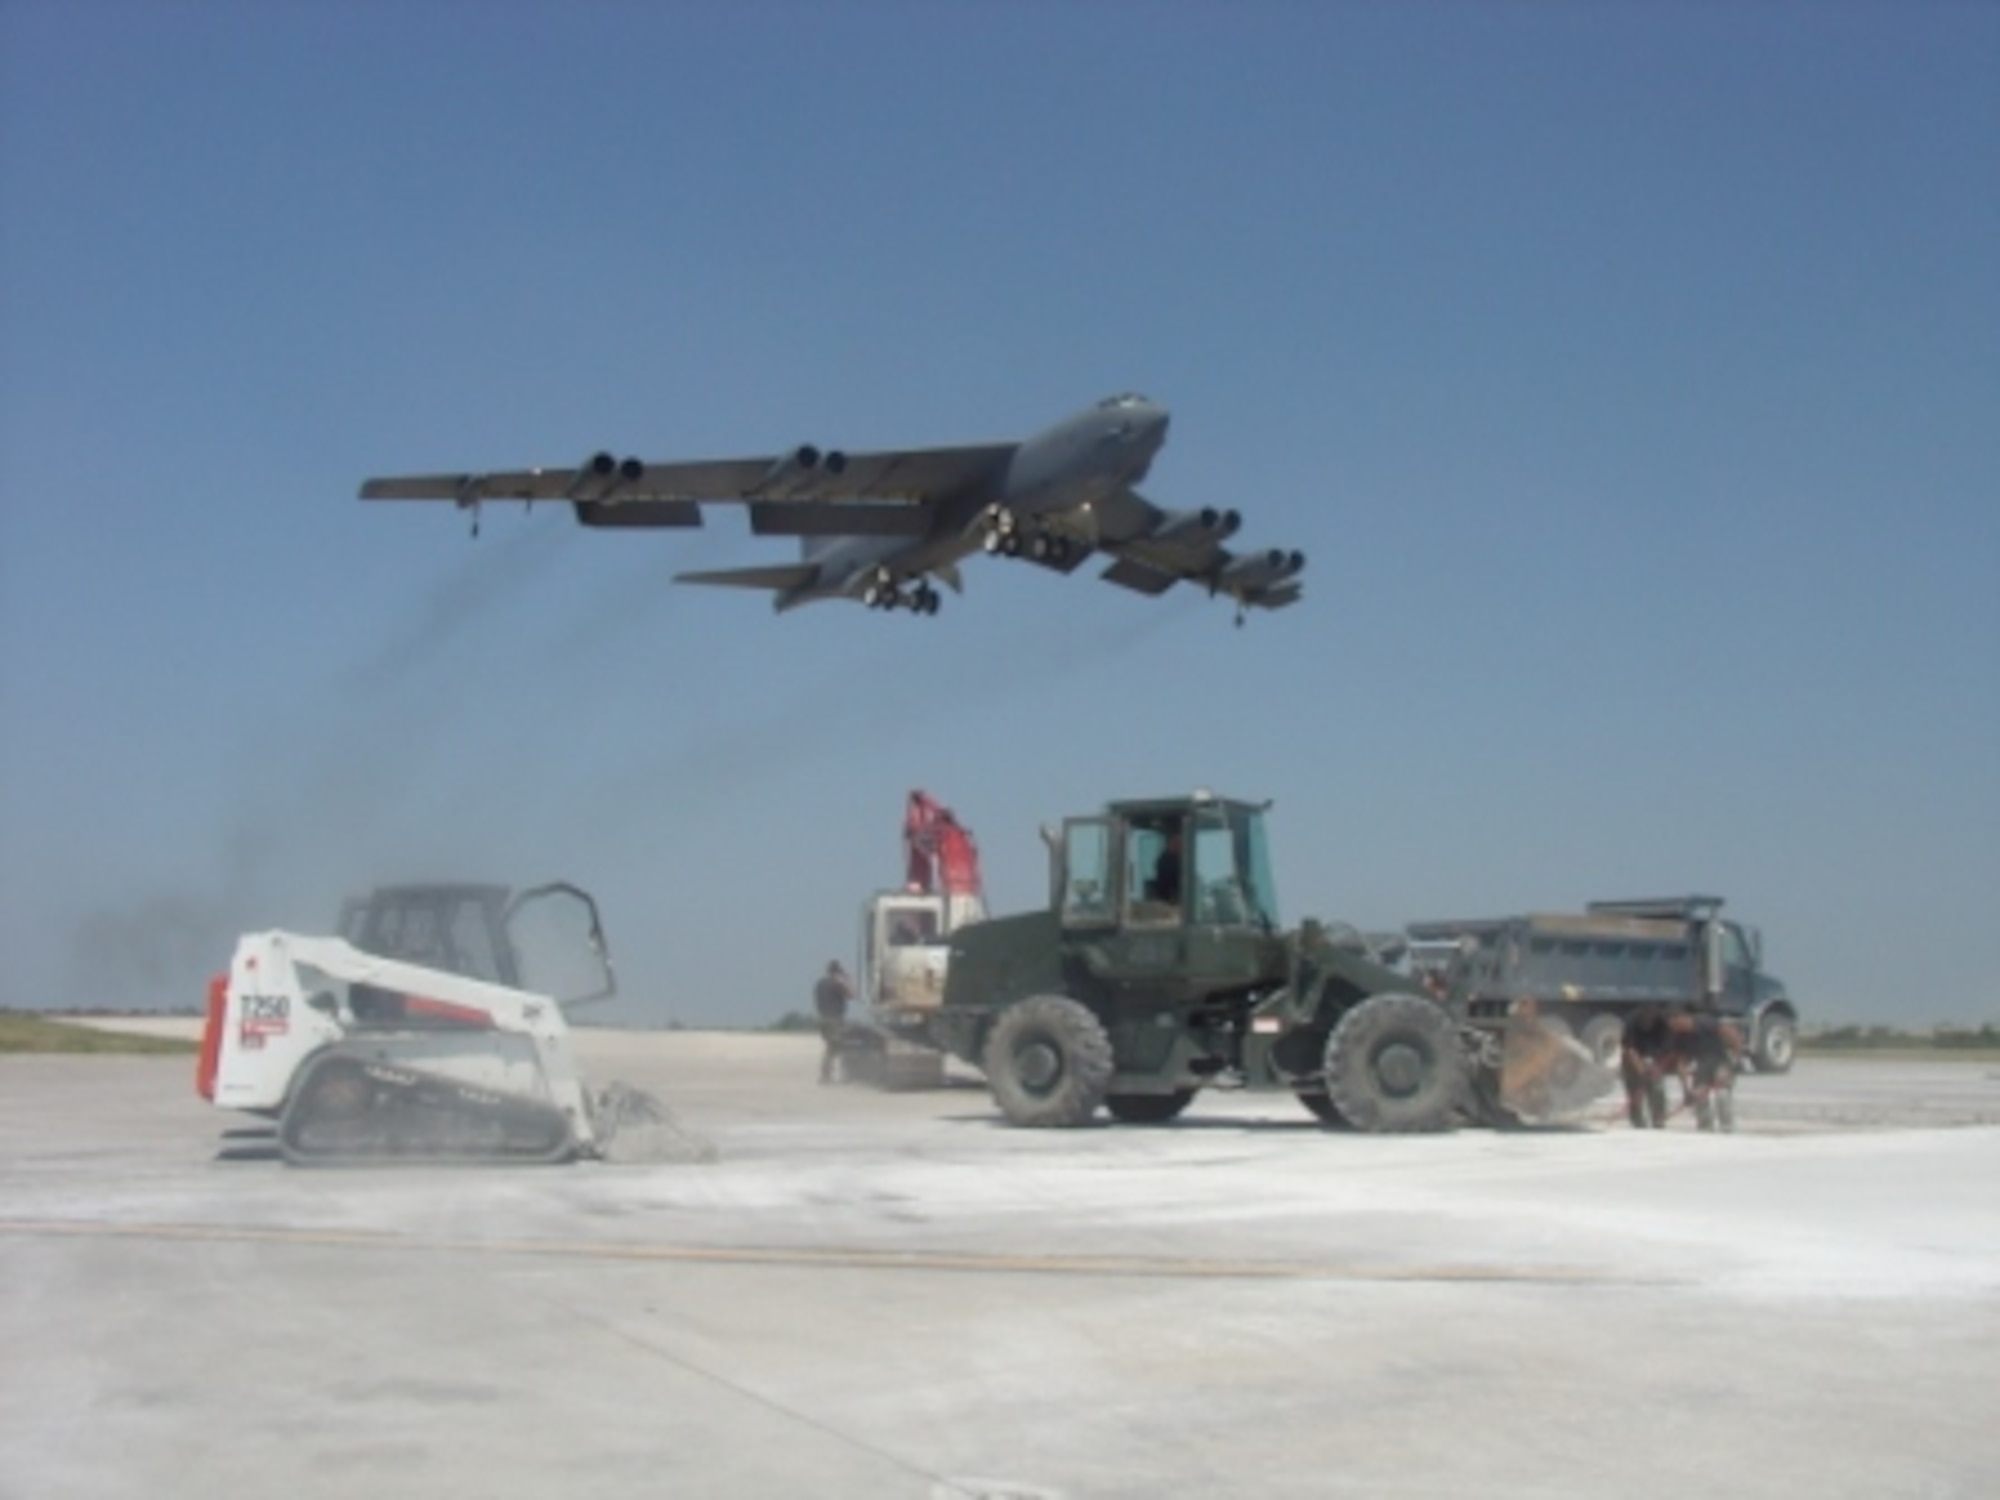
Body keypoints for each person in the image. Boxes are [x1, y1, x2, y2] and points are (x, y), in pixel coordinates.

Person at [1670, 1007, 1742, 1132]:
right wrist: (1686, 1091)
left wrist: (1736, 1062)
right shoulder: (1681, 1036)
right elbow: (1681, 1064)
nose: (1674, 1028)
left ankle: (1727, 1127)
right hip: (1702, 1064)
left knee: (1722, 1095)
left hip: (1720, 1060)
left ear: (1682, 1018)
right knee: (1699, 1095)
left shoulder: (1704, 1022)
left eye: (1675, 1024)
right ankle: (1705, 1127)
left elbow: (1731, 1034)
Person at [1620, 1004, 1673, 1129]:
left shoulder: (1663, 1024)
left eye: (1651, 1020)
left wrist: (1657, 1067)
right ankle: (1637, 1119)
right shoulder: (1631, 1022)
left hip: (1654, 1055)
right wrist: (1640, 1070)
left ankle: (1658, 1116)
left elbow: (1668, 1049)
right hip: (1633, 1056)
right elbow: (1629, 1049)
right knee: (1635, 1088)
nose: (1648, 1023)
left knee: (1657, 1087)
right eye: (1645, 1020)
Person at [813, 959, 853, 1084]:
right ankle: (832, 1075)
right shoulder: (836, 984)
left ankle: (827, 1075)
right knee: (838, 1047)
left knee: (832, 1047)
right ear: (837, 972)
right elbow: (852, 995)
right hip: (835, 1019)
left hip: (822, 1019)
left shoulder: (820, 984)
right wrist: (848, 980)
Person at [1147, 829, 1183, 905]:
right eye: (1176, 842)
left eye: (1179, 843)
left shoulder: (1184, 861)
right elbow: (1165, 879)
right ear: (1169, 843)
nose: (1178, 845)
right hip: (1166, 897)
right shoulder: (1164, 860)